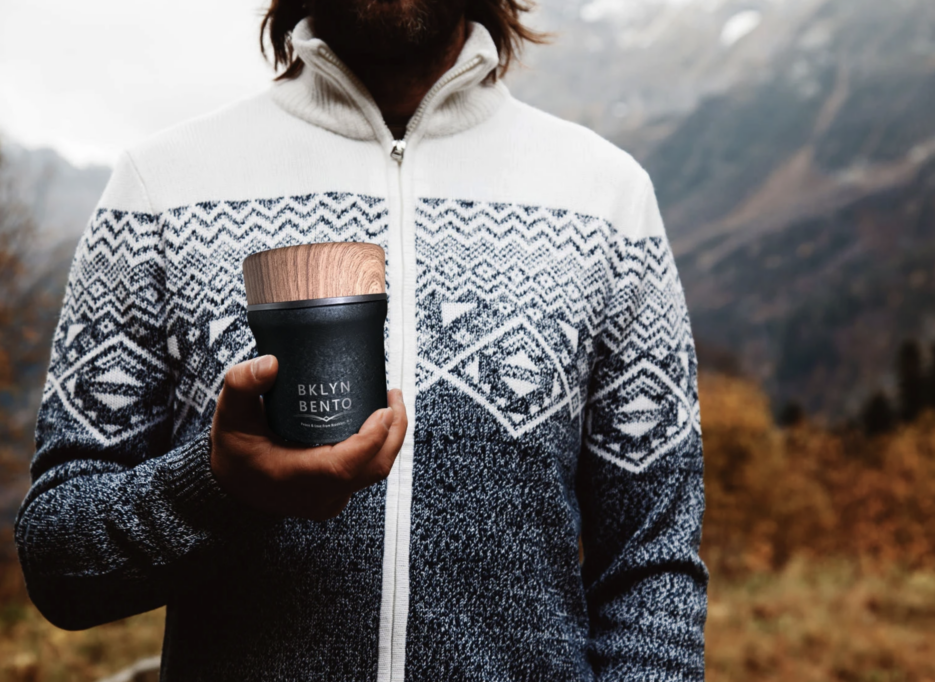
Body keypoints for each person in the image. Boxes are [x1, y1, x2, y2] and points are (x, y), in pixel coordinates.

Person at [14, 0, 709, 679]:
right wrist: (216, 486)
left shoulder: (606, 201)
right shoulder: (160, 187)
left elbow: (652, 570)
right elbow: (59, 564)